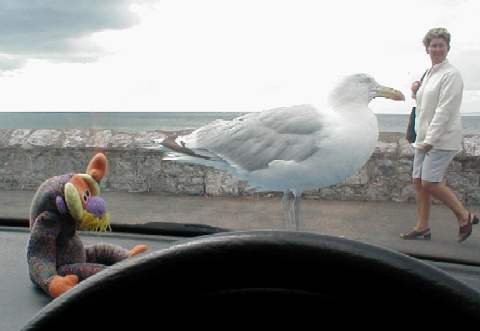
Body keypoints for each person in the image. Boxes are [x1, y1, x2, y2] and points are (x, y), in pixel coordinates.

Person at [400, 27, 479, 242]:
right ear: (427, 49)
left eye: (441, 45)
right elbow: (424, 107)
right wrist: (416, 91)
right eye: (433, 45)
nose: (437, 49)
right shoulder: (429, 74)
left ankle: (465, 217)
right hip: (423, 139)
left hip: (440, 140)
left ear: (448, 48)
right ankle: (422, 228)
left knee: (429, 182)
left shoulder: (451, 75)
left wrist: (430, 140)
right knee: (418, 181)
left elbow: (445, 110)